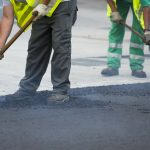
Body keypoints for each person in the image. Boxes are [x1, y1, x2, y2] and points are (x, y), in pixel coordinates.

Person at [0, 0, 77, 103]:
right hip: (40, 6)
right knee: (36, 47)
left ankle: (60, 91)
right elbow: (7, 17)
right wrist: (1, 46)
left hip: (62, 3)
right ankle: (27, 89)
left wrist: (43, 5)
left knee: (60, 46)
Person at [101, 0, 150, 78]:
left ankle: (136, 66)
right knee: (116, 28)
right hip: (120, 2)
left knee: (138, 29)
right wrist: (114, 11)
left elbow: (147, 6)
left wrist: (147, 31)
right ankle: (112, 65)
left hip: (138, 2)